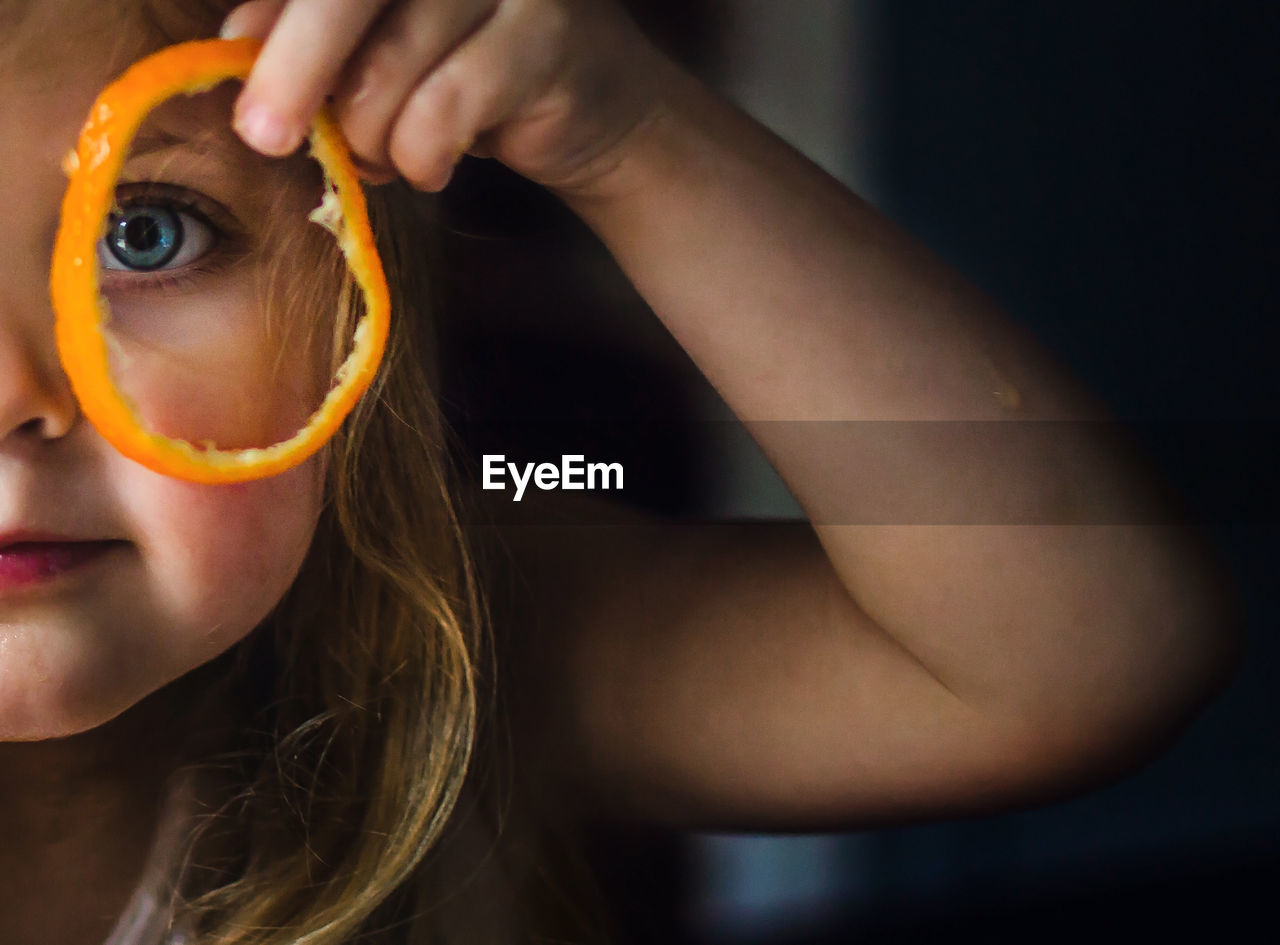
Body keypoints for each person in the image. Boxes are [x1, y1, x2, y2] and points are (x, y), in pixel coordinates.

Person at [0, 1, 1242, 943]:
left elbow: (1079, 651)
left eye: (144, 231)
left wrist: (627, 136)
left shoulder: (422, 641)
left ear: (352, 298)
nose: (13, 396)